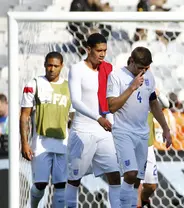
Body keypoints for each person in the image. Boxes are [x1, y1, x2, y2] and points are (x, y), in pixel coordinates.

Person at [106, 46, 172, 208]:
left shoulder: (149, 76)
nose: (143, 71)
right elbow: (112, 106)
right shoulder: (116, 76)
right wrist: (132, 87)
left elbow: (153, 102)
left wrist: (165, 128)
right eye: (141, 68)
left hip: (143, 134)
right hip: (124, 132)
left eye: (146, 68)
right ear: (132, 61)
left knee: (137, 181)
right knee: (130, 173)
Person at [66, 33, 121, 208]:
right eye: (99, 50)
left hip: (103, 131)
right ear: (88, 49)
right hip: (82, 131)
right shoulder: (77, 69)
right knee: (74, 179)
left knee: (114, 174)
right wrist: (98, 118)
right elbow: (76, 101)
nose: (103, 54)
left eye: (105, 50)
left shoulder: (108, 69)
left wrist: (110, 121)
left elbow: (110, 99)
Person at [20, 52, 73, 208]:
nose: (52, 69)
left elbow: (74, 118)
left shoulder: (69, 87)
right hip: (40, 143)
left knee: (61, 186)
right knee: (40, 184)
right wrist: (25, 143)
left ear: (62, 66)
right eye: (49, 65)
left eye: (55, 66)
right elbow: (24, 116)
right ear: (44, 65)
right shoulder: (34, 84)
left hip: (63, 143)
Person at [137, 92, 171, 208]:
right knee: (136, 185)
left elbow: (165, 105)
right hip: (131, 144)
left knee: (151, 186)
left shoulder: (148, 86)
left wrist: (158, 92)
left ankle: (144, 199)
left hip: (148, 145)